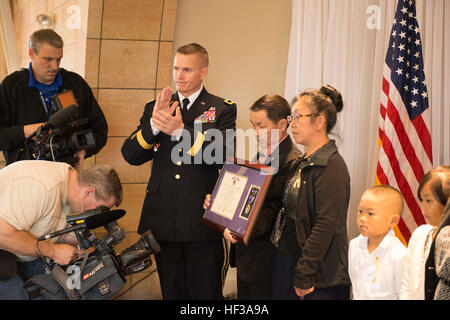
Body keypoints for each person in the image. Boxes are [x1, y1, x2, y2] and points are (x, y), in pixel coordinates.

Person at [121, 43, 237, 299]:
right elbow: (131, 155)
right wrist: (153, 124)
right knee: (172, 293)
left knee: (206, 294)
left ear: (203, 72)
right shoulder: (158, 106)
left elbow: (224, 156)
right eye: (176, 68)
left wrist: (181, 133)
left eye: (187, 69)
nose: (179, 76)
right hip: (164, 218)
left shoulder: (221, 109)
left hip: (200, 221)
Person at [203, 94, 301, 299]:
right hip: (249, 257)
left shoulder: (290, 161)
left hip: (268, 261)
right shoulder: (261, 155)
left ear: (282, 124)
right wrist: (219, 204)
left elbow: (276, 211)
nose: (255, 132)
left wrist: (237, 228)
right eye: (252, 125)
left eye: (261, 126)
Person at [271, 85, 351, 300]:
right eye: (291, 116)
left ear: (320, 121)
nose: (292, 123)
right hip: (290, 261)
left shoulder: (331, 166)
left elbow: (325, 225)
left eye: (298, 116)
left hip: (319, 275)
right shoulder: (303, 162)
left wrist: (305, 273)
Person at [0, 160, 123, 300]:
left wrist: (92, 255)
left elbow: (55, 229)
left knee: (64, 291)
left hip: (23, 253)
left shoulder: (71, 188)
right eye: (100, 208)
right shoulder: (42, 186)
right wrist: (52, 251)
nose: (97, 213)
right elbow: (3, 234)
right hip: (4, 248)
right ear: (89, 192)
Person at [0, 29, 108, 167]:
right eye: (48, 59)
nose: (55, 66)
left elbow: (99, 130)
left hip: (67, 173)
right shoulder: (12, 86)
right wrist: (28, 130)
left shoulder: (75, 84)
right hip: (25, 175)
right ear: (31, 53)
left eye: (58, 59)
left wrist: (82, 150)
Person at [349, 185, 408, 300]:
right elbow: (356, 285)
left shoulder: (399, 254)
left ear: (393, 220)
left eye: (370, 213)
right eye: (360, 211)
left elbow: (405, 293)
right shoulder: (354, 245)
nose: (362, 218)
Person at [407, 165, 449, 299]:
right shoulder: (420, 233)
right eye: (422, 200)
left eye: (429, 200)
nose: (423, 207)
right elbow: (407, 279)